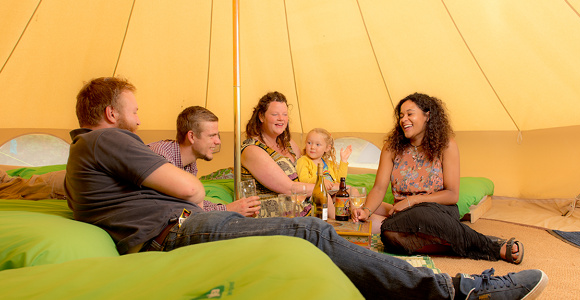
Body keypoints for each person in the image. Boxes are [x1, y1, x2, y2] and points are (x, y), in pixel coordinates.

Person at [65, 78, 548, 300]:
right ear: (110, 114)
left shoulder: (82, 156)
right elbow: (186, 190)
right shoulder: (109, 140)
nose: (139, 119)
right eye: (132, 110)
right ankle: (458, 291)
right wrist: (197, 197)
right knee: (312, 235)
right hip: (180, 228)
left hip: (182, 225)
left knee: (318, 235)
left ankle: (443, 280)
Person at [352, 92, 524, 264]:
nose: (404, 119)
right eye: (401, 116)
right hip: (402, 216)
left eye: (410, 114)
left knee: (411, 216)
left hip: (438, 211)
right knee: (389, 235)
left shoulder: (446, 145)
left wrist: (412, 201)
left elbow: (452, 195)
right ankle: (460, 243)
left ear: (427, 116)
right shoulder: (391, 148)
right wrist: (366, 211)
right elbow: (379, 188)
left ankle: (491, 246)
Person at [148, 106, 259, 217]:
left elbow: (194, 206)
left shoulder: (189, 164)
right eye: (212, 136)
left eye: (217, 135)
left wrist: (231, 207)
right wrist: (227, 209)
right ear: (191, 136)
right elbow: (179, 215)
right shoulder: (161, 158)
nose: (218, 141)